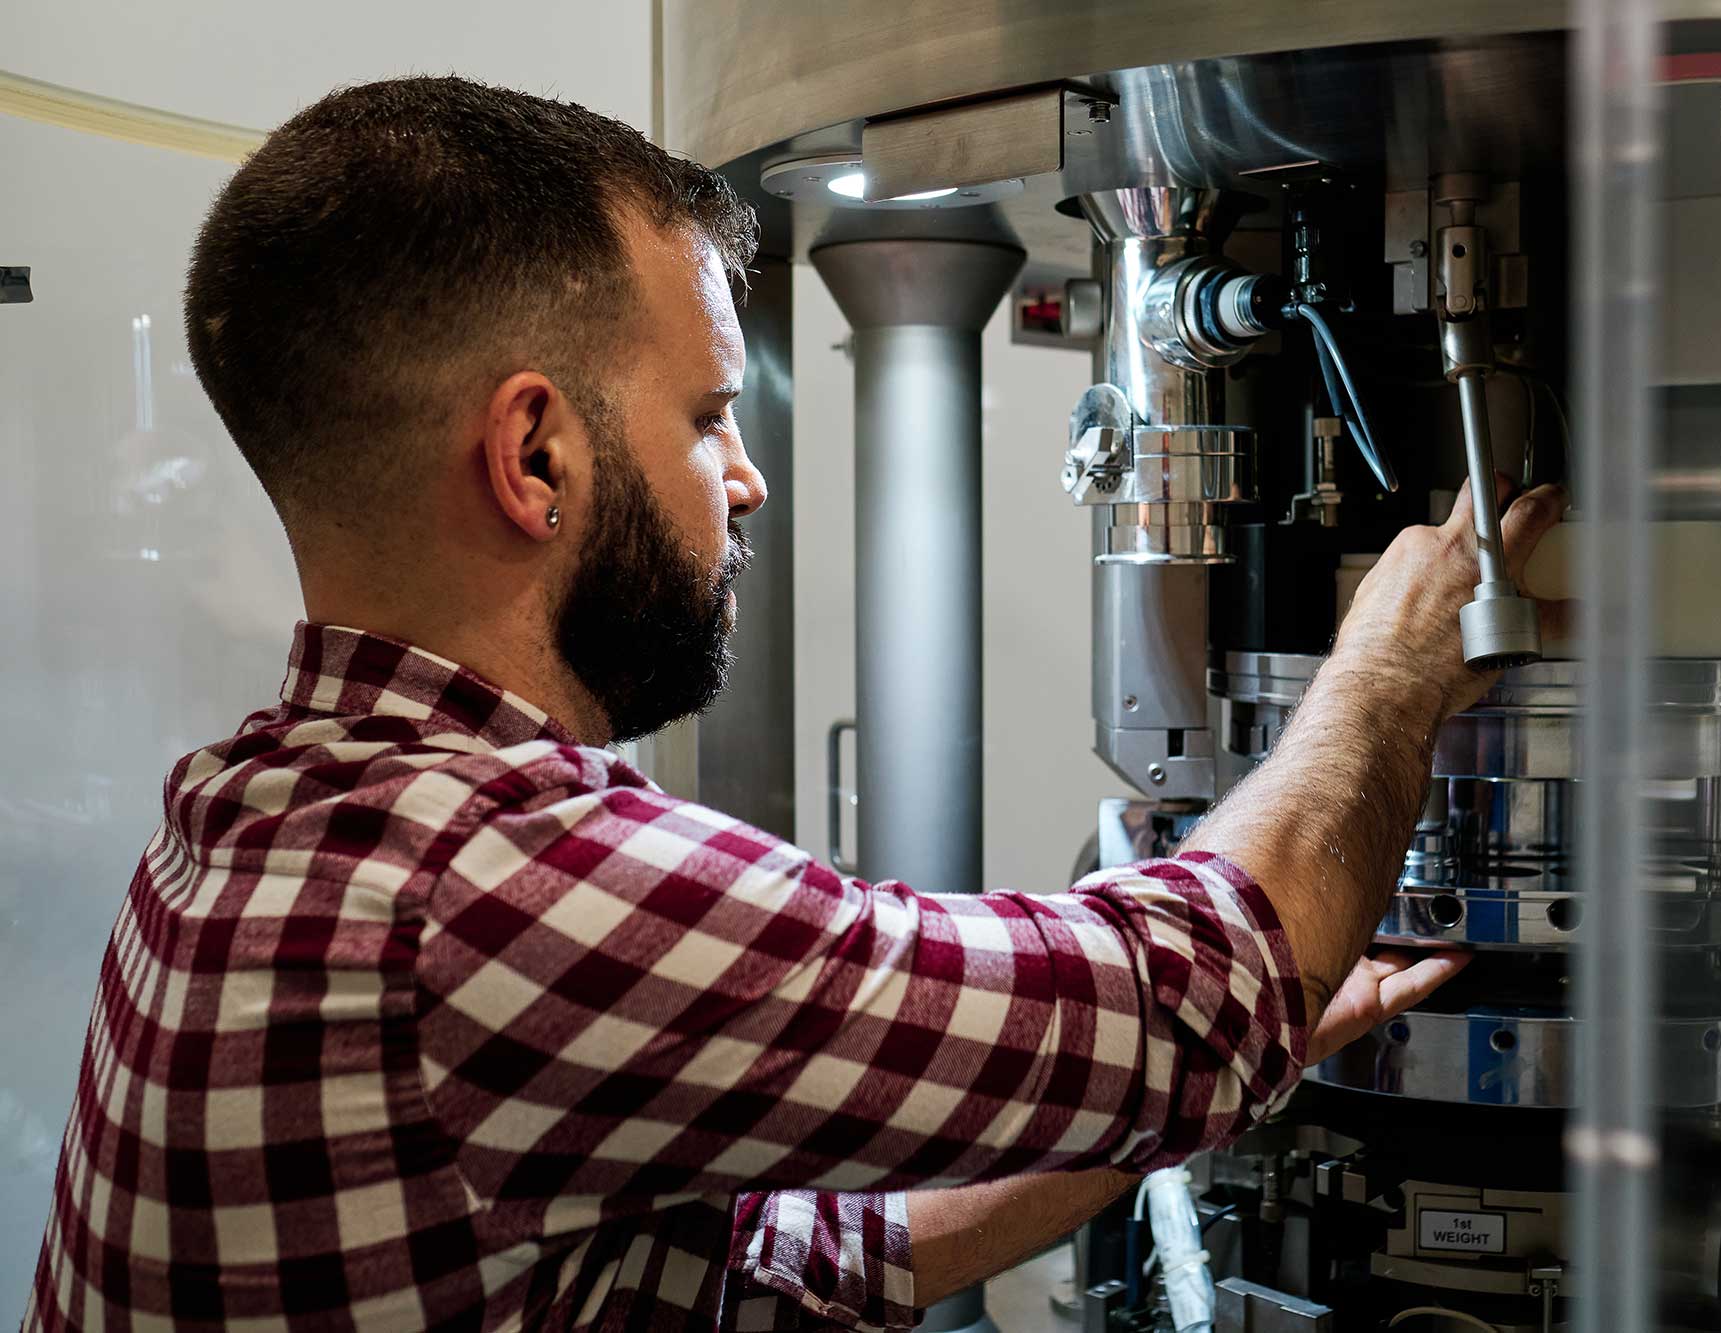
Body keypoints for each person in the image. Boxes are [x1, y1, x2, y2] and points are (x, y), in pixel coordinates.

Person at [23, 76, 1564, 1332]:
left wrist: (1221, 1052)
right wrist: (1395, 658)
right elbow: (1186, 1000)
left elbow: (812, 1252)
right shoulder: (491, 894)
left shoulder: (241, 814)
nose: (747, 477)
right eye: (707, 417)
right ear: (535, 457)